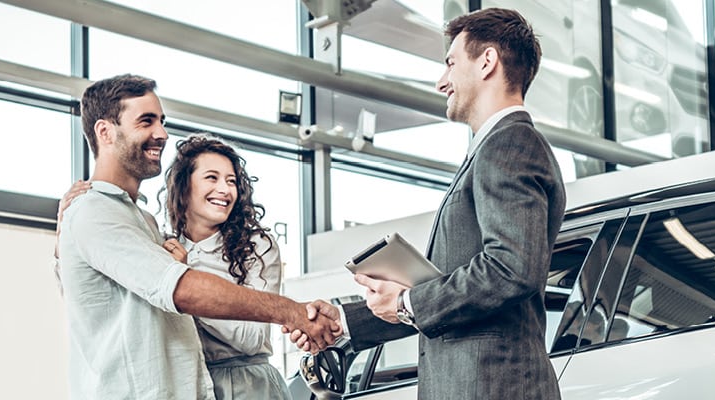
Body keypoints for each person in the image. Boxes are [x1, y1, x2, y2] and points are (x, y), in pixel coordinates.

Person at [292, 8, 566, 400]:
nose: (442, 82)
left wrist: (407, 301)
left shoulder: (510, 143)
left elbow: (511, 268)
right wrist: (346, 322)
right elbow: (461, 295)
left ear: (487, 61)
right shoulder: (494, 148)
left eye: (450, 64)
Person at [56, 74, 339, 399]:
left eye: (162, 122)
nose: (161, 134)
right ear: (105, 132)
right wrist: (291, 311)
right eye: (146, 121)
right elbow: (180, 288)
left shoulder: (144, 221)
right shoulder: (95, 210)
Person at [59, 134, 290, 399]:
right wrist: (63, 231)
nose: (226, 190)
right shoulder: (162, 246)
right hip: (191, 383)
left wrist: (184, 286)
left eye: (232, 181)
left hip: (251, 386)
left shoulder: (257, 247)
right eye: (212, 178)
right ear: (184, 186)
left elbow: (250, 338)